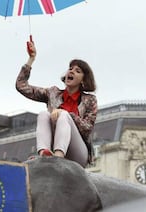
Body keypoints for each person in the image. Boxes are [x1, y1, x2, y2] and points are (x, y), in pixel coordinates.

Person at [16, 37, 98, 168]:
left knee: (63, 115)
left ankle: (58, 157)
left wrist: (66, 114)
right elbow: (21, 86)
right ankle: (44, 153)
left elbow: (87, 129)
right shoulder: (53, 93)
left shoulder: (90, 100)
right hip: (52, 146)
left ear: (83, 80)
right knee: (44, 114)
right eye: (70, 68)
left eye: (77, 71)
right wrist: (31, 59)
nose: (71, 71)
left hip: (77, 153)